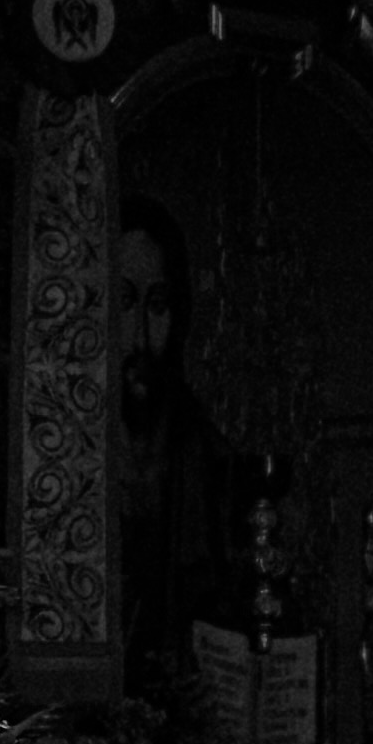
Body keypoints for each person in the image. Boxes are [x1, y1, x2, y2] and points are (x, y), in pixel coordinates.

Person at [111, 197, 241, 690]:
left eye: (158, 306)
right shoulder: (62, 449)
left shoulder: (207, 461)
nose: (141, 337)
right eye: (123, 302)